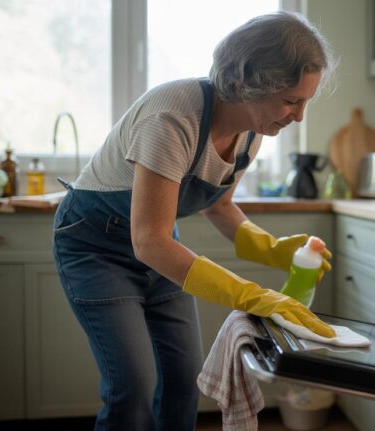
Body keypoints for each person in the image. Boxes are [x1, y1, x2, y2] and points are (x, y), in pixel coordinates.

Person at [52, 11, 336, 431]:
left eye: (305, 101)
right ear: (251, 83)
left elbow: (219, 206)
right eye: (292, 101)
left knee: (185, 382)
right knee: (131, 389)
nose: (298, 116)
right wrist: (253, 296)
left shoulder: (253, 133)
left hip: (160, 248)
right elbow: (148, 240)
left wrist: (273, 250)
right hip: (96, 249)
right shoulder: (173, 117)